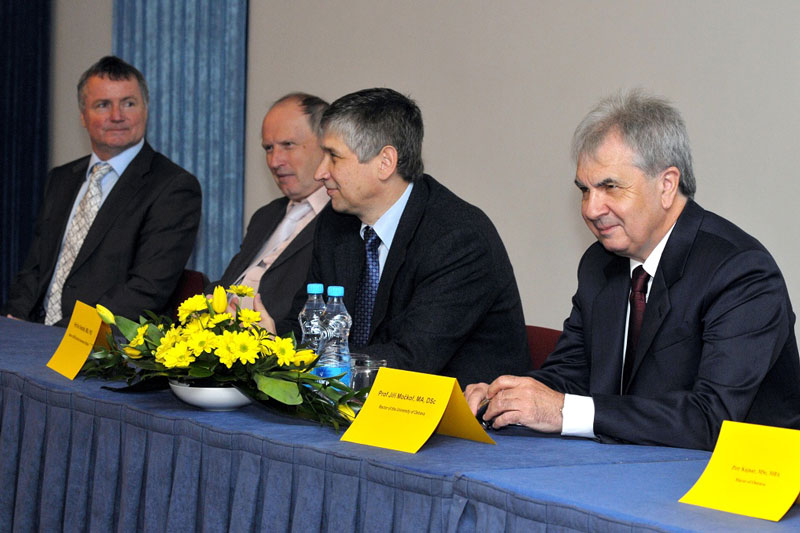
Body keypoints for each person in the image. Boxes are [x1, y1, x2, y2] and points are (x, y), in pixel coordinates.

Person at [465, 90, 800, 451]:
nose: (591, 209)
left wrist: (562, 411)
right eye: (585, 190)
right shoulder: (600, 264)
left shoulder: (740, 271)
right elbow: (571, 376)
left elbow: (711, 419)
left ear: (667, 185)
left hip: (738, 475)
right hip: (631, 463)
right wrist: (505, 398)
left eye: (609, 187)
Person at [260, 87, 530, 386]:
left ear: (385, 162)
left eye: (333, 156)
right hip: (350, 400)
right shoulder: (336, 222)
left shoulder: (458, 238)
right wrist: (269, 343)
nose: (320, 172)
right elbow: (305, 325)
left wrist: (301, 360)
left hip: (451, 408)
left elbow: (411, 361)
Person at [3, 56, 201, 327]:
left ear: (145, 110)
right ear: (83, 116)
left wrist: (61, 335)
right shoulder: (61, 179)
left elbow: (146, 291)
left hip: (103, 342)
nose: (117, 116)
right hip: (34, 334)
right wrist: (13, 323)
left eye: (128, 103)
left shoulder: (174, 187)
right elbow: (34, 270)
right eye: (103, 105)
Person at [207, 93, 329, 321]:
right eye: (268, 148)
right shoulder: (266, 215)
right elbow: (229, 282)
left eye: (288, 145)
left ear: (325, 145)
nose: (274, 161)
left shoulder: (343, 219)